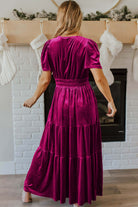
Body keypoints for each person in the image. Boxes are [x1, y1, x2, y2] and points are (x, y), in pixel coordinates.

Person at [22, 0, 117, 206]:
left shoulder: (49, 45)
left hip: (60, 101)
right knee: (80, 148)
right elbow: (100, 79)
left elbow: (45, 80)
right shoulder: (87, 45)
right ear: (77, 18)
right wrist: (110, 100)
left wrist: (33, 97)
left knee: (51, 146)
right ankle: (77, 198)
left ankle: (28, 189)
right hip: (83, 99)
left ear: (61, 19)